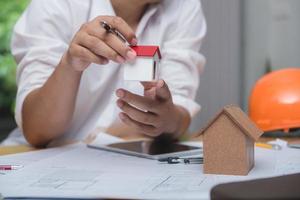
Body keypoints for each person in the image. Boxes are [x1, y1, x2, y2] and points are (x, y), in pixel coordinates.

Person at [2, 0, 206, 147]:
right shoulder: (55, 4)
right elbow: (37, 131)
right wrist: (70, 64)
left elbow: (180, 114)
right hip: (42, 158)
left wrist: (168, 119)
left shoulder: (184, 5)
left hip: (129, 160)